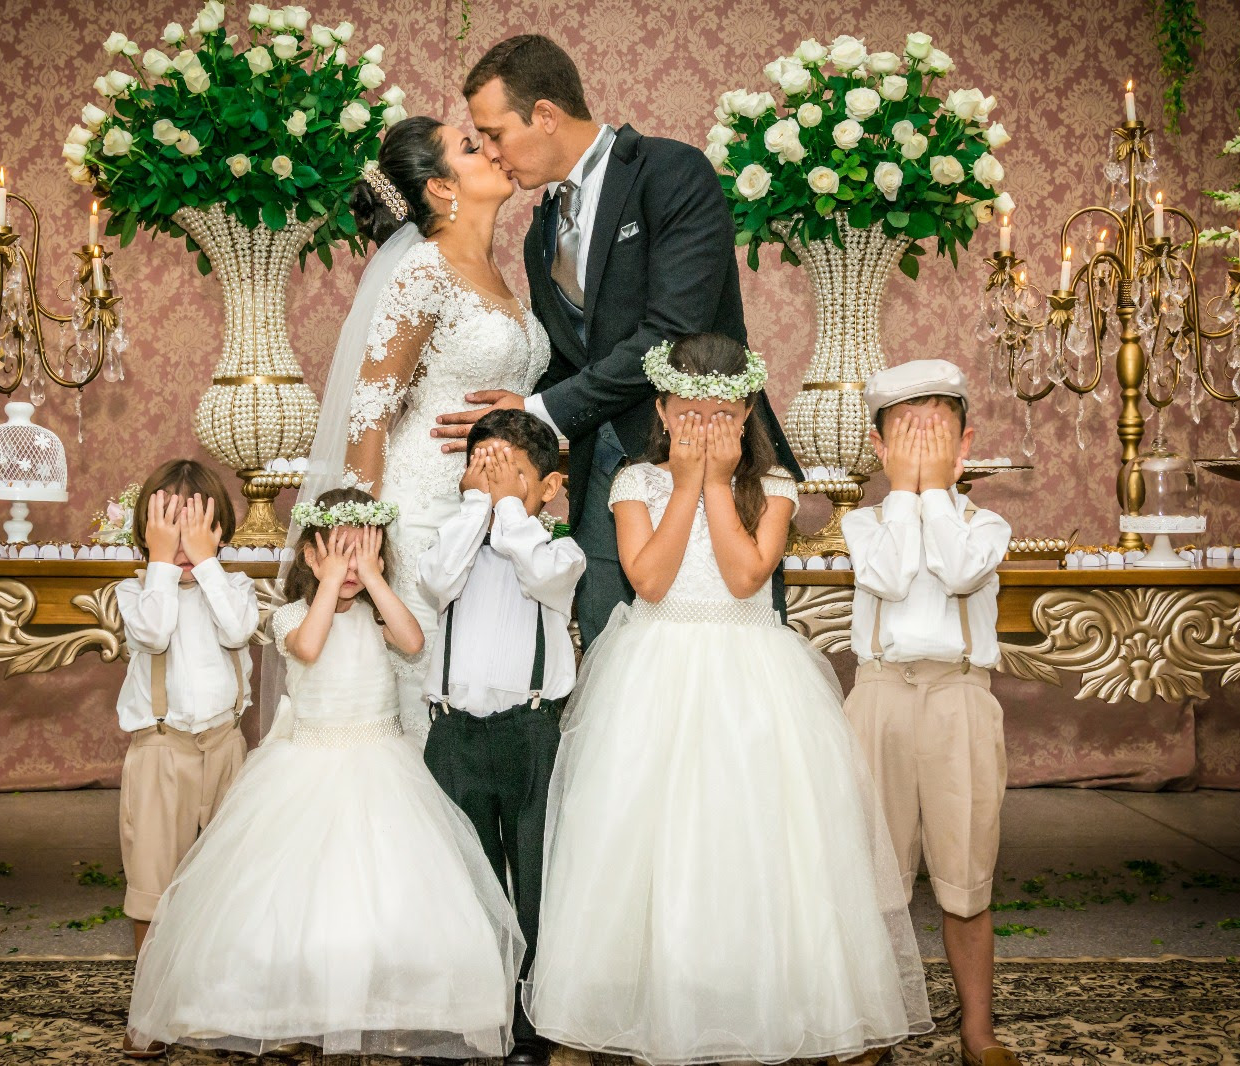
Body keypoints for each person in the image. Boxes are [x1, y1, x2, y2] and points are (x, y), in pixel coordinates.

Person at [526, 335, 932, 1066]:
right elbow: (648, 580)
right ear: (662, 409)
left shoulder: (775, 487)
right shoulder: (633, 484)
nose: (707, 427)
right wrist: (683, 485)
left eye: (722, 413)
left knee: (761, 838)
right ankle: (622, 1007)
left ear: (746, 413)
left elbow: (745, 576)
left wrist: (714, 484)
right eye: (691, 414)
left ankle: (790, 1004)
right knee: (642, 837)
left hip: (749, 668)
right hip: (655, 666)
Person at [434, 34, 801, 649]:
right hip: (603, 477)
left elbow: (669, 335)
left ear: (546, 115)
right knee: (612, 660)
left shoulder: (670, 172)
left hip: (706, 455)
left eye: (495, 133)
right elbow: (572, 354)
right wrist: (518, 418)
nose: (492, 153)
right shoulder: (540, 228)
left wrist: (542, 412)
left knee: (725, 649)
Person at [128, 489, 523, 1059]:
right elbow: (309, 649)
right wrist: (330, 580)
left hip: (383, 765)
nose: (350, 566)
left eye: (364, 553)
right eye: (337, 553)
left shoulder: (377, 612)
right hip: (308, 766)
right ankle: (292, 999)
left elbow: (412, 641)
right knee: (298, 896)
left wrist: (374, 579)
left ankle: (392, 999)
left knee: (390, 891)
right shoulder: (292, 614)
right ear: (311, 557)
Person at [283, 114, 550, 742]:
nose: (491, 149)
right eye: (469, 146)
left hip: (486, 510)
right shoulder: (423, 271)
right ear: (440, 188)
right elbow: (370, 409)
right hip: (422, 511)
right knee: (423, 690)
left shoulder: (504, 275)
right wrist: (357, 529)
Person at [841, 360, 1019, 1066]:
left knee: (966, 873)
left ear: (965, 445)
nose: (918, 449)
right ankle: (874, 1025)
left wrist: (934, 495)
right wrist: (907, 497)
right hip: (880, 697)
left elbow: (958, 571)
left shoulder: (987, 525)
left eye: (936, 433)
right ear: (879, 450)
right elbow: (887, 575)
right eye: (904, 436)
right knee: (875, 873)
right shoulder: (863, 523)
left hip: (961, 701)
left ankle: (979, 1029)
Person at [418, 408, 586, 1066]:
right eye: (480, 463)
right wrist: (475, 509)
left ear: (549, 486)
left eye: (509, 467)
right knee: (465, 883)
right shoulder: (451, 539)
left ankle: (527, 1022)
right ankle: (471, 1014)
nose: (490, 476)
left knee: (534, 886)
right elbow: (435, 583)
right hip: (454, 737)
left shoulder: (559, 549)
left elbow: (542, 576)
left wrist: (511, 511)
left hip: (530, 734)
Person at [113, 459, 255, 1059]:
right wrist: (161, 565)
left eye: (195, 524)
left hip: (225, 748)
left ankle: (218, 1000)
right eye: (167, 523)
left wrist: (208, 561)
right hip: (160, 751)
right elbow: (153, 632)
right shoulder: (136, 591)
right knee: (153, 883)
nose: (181, 538)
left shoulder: (235, 587)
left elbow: (237, 628)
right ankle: (150, 1006)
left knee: (229, 881)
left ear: (220, 530)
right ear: (146, 533)